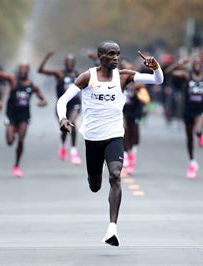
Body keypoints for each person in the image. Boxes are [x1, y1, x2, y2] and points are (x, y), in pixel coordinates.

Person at [56, 41, 163, 247]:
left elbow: (157, 81)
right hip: (92, 139)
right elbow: (62, 100)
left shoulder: (123, 76)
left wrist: (155, 67)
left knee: (115, 176)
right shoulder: (87, 77)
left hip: (114, 136)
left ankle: (112, 229)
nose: (115, 58)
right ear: (100, 56)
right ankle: (93, 179)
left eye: (118, 54)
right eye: (111, 54)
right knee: (95, 186)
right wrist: (63, 118)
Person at [166, 59, 203, 179]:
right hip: (188, 110)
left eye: (199, 65)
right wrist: (179, 63)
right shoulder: (186, 74)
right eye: (195, 65)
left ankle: (200, 135)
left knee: (198, 131)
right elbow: (169, 72)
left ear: (202, 67)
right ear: (192, 67)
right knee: (189, 138)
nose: (197, 67)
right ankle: (192, 162)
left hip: (201, 109)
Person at [0, 64, 47, 177]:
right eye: (21, 70)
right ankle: (12, 130)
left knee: (21, 140)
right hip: (11, 114)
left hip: (24, 116)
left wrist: (42, 103)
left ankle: (17, 165)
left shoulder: (32, 86)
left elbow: (43, 100)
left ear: (28, 72)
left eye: (25, 70)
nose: (22, 72)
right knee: (9, 141)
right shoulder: (13, 81)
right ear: (18, 71)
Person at [38, 52, 82, 165]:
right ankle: (62, 145)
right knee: (64, 127)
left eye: (72, 62)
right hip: (62, 105)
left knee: (72, 123)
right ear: (65, 62)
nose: (70, 63)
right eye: (68, 61)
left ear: (74, 63)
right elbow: (40, 70)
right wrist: (46, 57)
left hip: (75, 104)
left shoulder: (78, 74)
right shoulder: (59, 73)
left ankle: (74, 152)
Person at [120, 59, 151, 176]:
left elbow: (145, 98)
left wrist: (138, 90)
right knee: (124, 131)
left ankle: (131, 155)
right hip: (122, 111)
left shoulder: (137, 81)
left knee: (134, 137)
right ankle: (126, 155)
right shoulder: (118, 80)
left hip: (135, 111)